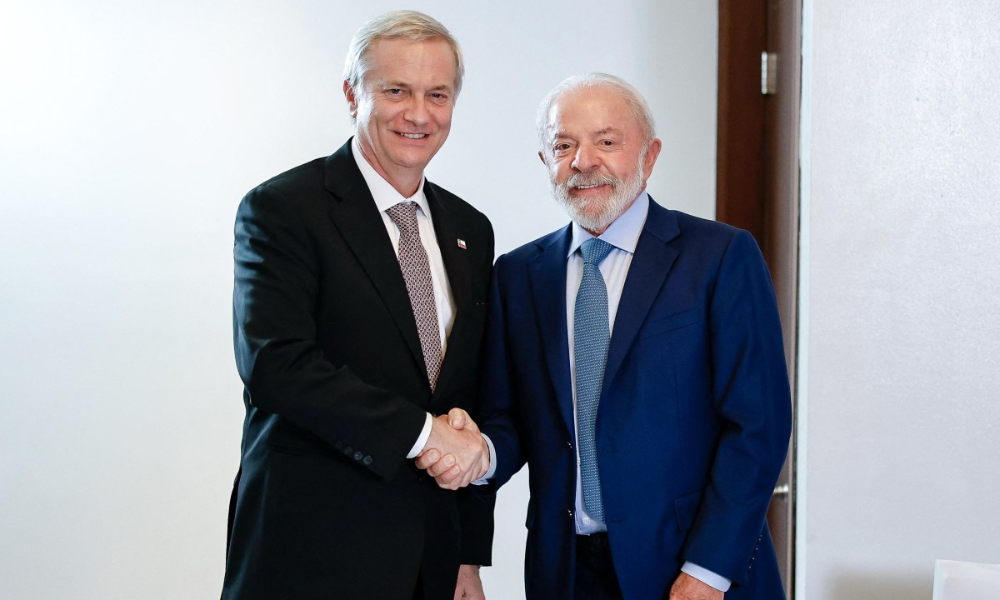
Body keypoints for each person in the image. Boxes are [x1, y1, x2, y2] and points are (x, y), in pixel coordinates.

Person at [419, 73, 792, 599]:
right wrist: (480, 453)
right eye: (563, 146)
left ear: (650, 155)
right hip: (565, 572)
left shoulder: (720, 257)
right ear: (545, 162)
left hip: (692, 569)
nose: (583, 161)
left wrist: (707, 573)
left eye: (607, 141)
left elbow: (758, 427)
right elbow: (509, 418)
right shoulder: (519, 275)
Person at [222, 11, 494, 600]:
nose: (418, 114)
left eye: (437, 94)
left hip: (430, 559)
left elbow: (464, 397)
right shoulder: (283, 210)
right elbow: (276, 365)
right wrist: (422, 435)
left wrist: (467, 555)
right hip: (312, 555)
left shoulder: (470, 229)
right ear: (352, 94)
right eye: (396, 91)